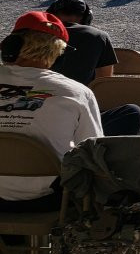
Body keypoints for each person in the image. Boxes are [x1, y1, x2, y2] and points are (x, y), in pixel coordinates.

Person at [0, 12, 103, 213]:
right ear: (58, 55)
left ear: (10, 47)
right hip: (47, 199)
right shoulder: (77, 92)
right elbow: (93, 151)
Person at [46, 0, 140, 136]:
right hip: (78, 114)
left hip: (41, 112)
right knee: (133, 112)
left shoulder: (35, 37)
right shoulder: (98, 36)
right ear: (87, 17)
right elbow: (104, 82)